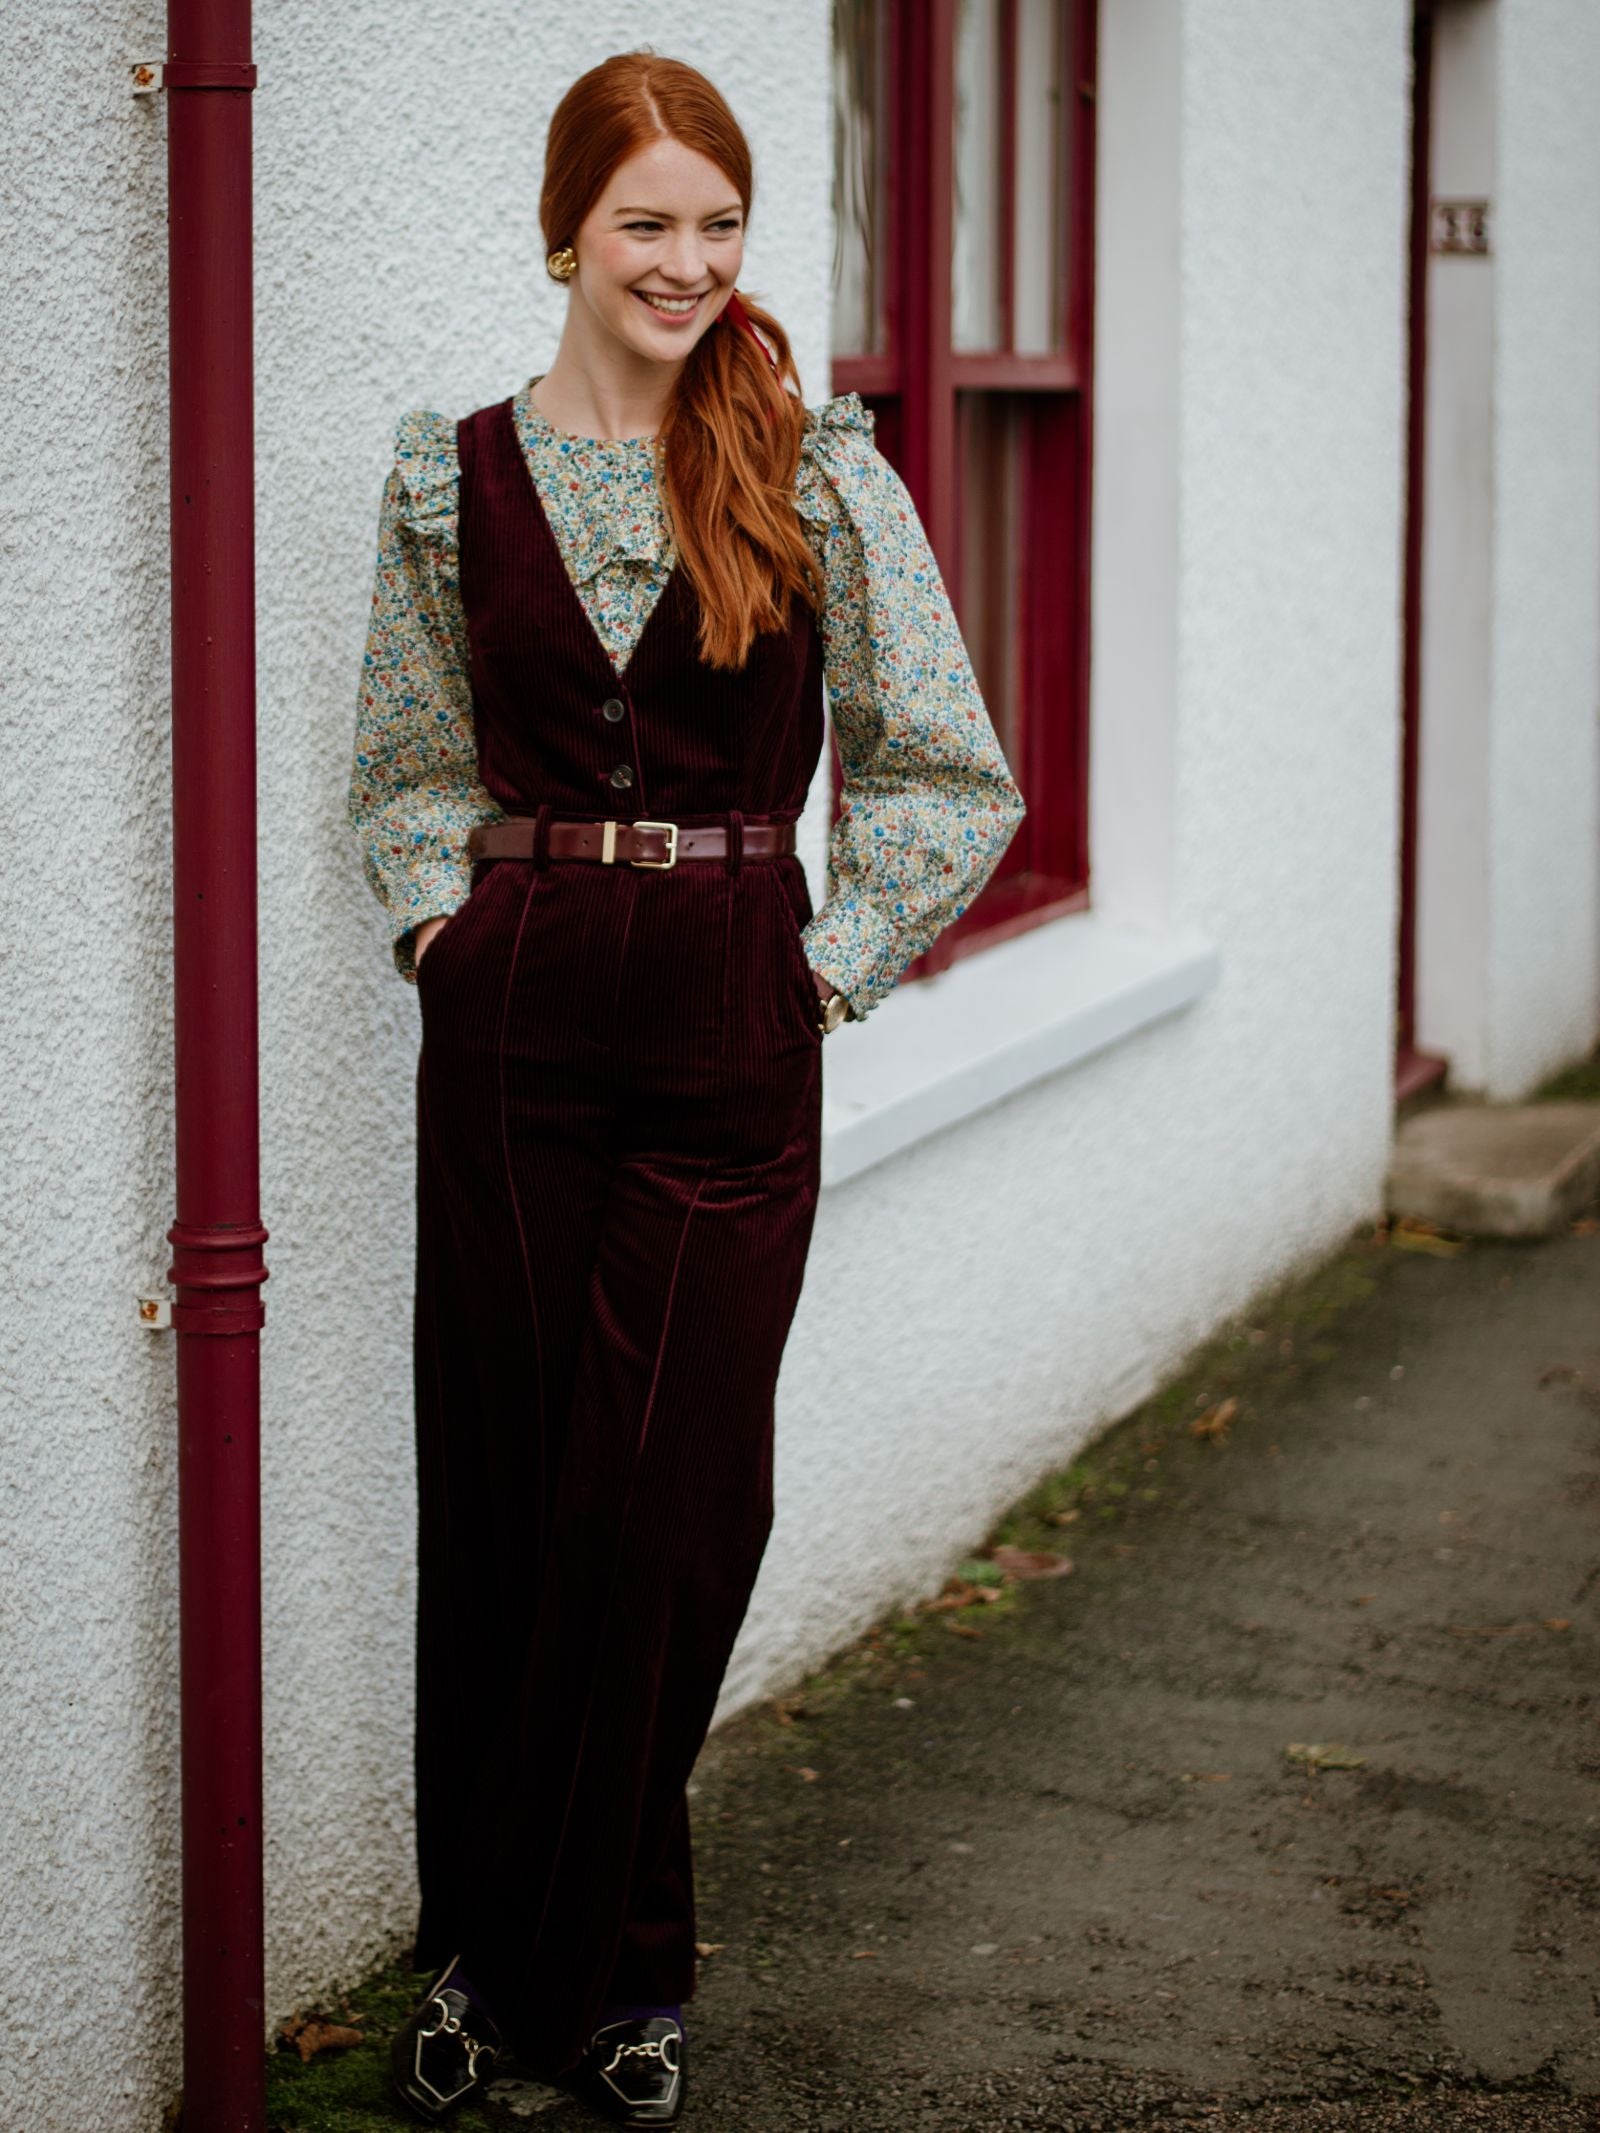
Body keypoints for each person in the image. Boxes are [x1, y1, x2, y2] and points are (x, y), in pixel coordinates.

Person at [345, 46, 1026, 2127]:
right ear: (563, 230)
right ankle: (544, 1973)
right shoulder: (444, 473)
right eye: (645, 221)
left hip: (730, 1011)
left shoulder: (814, 468)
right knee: (507, 1494)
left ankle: (558, 1966)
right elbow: (401, 774)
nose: (685, 261)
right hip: (520, 1013)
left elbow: (946, 774)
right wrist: (442, 938)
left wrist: (813, 967)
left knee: (666, 1504)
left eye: (718, 223)